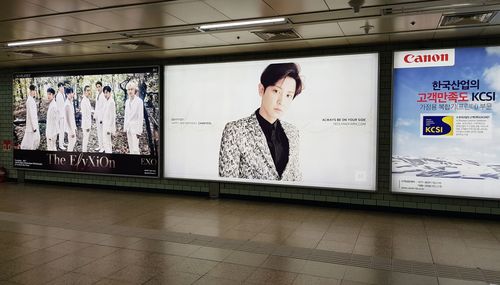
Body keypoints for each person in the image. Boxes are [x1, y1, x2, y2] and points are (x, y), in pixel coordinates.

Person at [219, 63, 303, 181]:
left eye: (288, 95)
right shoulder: (235, 131)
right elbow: (226, 183)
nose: (281, 101)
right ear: (261, 90)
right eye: (276, 91)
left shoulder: (293, 132)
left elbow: (296, 178)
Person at [123, 80, 144, 154]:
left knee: (135, 149)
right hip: (128, 128)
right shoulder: (127, 101)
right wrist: (125, 128)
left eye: (131, 89)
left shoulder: (139, 101)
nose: (130, 91)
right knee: (131, 148)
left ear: (135, 90)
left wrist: (139, 131)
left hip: (135, 129)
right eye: (128, 89)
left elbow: (140, 117)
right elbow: (126, 115)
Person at [20, 85, 40, 150]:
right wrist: (34, 127)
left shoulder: (32, 99)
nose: (35, 92)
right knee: (30, 141)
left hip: (34, 123)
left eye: (35, 91)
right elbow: (31, 115)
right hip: (31, 125)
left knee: (34, 140)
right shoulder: (29, 101)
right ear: (30, 91)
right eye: (33, 91)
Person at [101, 86, 116, 153]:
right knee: (105, 142)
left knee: (107, 142)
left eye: (106, 92)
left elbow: (112, 117)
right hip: (105, 124)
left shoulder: (111, 102)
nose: (105, 94)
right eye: (104, 93)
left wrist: (109, 129)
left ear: (110, 93)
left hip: (108, 126)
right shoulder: (106, 101)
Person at [80, 85, 93, 152]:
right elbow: (84, 115)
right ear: (84, 92)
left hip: (88, 123)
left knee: (86, 139)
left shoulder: (87, 100)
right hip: (86, 124)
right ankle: (84, 152)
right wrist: (87, 126)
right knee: (85, 139)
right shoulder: (83, 101)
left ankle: (85, 151)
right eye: (87, 90)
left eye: (89, 90)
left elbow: (89, 111)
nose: (89, 92)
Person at [64, 87, 77, 152]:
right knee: (72, 142)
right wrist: (71, 130)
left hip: (72, 125)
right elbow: (67, 119)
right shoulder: (67, 104)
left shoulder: (70, 102)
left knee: (72, 142)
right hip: (70, 127)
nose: (71, 94)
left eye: (72, 92)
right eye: (69, 93)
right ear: (66, 94)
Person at [94, 81, 105, 152]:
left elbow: (103, 107)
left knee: (102, 132)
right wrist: (95, 115)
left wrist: (102, 118)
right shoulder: (97, 94)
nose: (98, 88)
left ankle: (103, 147)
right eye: (97, 87)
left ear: (101, 86)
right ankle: (100, 146)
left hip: (102, 117)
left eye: (99, 87)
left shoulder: (104, 95)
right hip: (97, 116)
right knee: (98, 131)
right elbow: (96, 106)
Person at [55, 82, 66, 150]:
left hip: (64, 115)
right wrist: (60, 116)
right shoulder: (58, 95)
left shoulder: (63, 95)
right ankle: (60, 145)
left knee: (63, 129)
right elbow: (58, 108)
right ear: (58, 88)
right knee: (61, 130)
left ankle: (63, 142)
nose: (62, 88)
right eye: (60, 87)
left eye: (63, 86)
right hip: (60, 116)